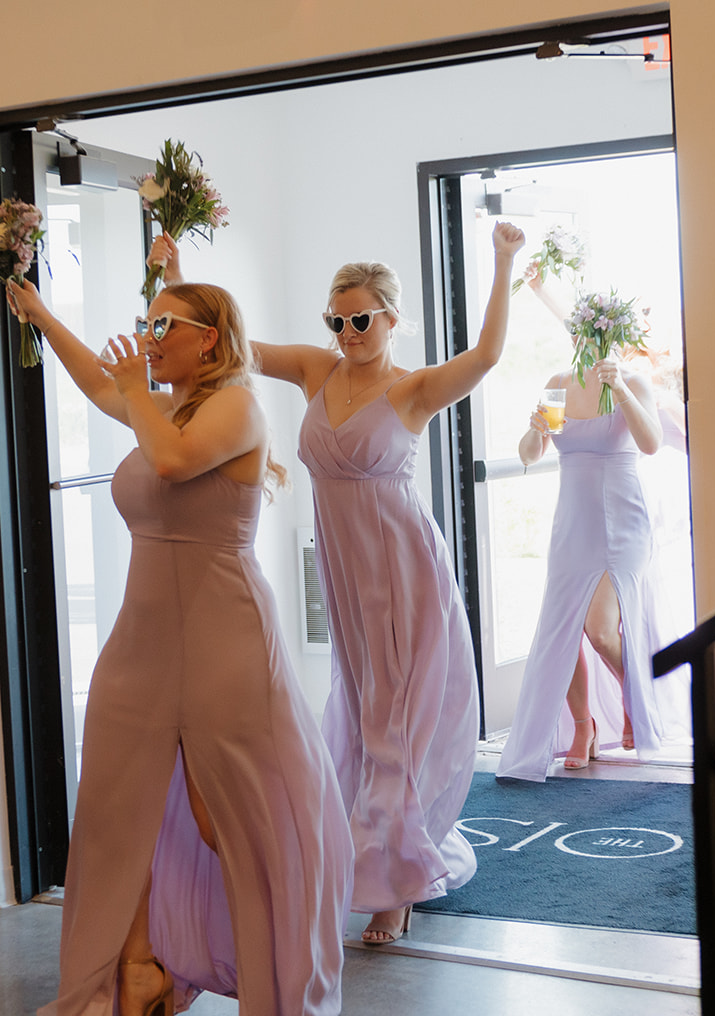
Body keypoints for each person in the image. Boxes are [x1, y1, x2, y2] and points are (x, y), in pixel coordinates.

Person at [5, 277, 352, 1016]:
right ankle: (136, 970)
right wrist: (39, 312)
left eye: (165, 324)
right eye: (145, 323)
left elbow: (169, 463)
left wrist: (133, 388)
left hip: (222, 637)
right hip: (140, 641)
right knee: (117, 809)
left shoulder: (236, 406)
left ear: (211, 337)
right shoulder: (162, 403)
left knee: (218, 812)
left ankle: (266, 974)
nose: (149, 336)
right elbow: (100, 382)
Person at [152, 220, 524, 944]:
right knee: (360, 709)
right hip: (347, 572)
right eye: (338, 320)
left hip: (404, 568)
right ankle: (374, 858)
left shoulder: (411, 389)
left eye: (360, 319)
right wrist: (177, 272)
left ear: (389, 318)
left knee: (396, 719)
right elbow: (229, 341)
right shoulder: (317, 372)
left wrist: (503, 261)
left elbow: (484, 357)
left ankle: (396, 885)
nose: (349, 331)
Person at [495, 268, 671, 782]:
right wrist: (532, 429)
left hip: (624, 518)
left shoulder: (632, 381)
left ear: (613, 337)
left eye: (594, 334)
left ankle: (637, 702)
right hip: (573, 519)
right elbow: (531, 453)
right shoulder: (557, 384)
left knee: (601, 630)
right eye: (579, 332)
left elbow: (651, 443)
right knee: (565, 626)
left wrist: (621, 389)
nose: (585, 342)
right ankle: (582, 725)